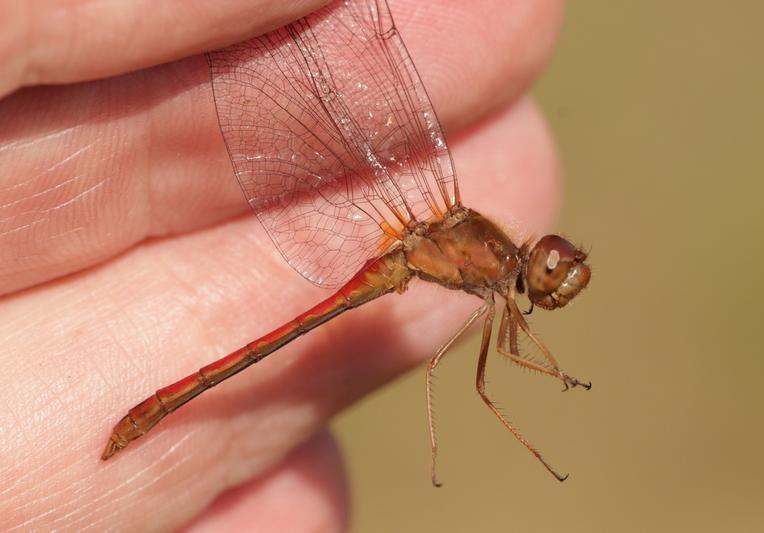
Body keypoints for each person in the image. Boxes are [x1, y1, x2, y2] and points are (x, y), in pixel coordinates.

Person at [0, 0, 563, 530]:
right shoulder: (492, 270)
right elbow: (476, 374)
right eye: (549, 272)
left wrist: (557, 371)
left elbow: (511, 345)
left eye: (550, 276)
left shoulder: (496, 278)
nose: (547, 278)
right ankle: (149, 414)